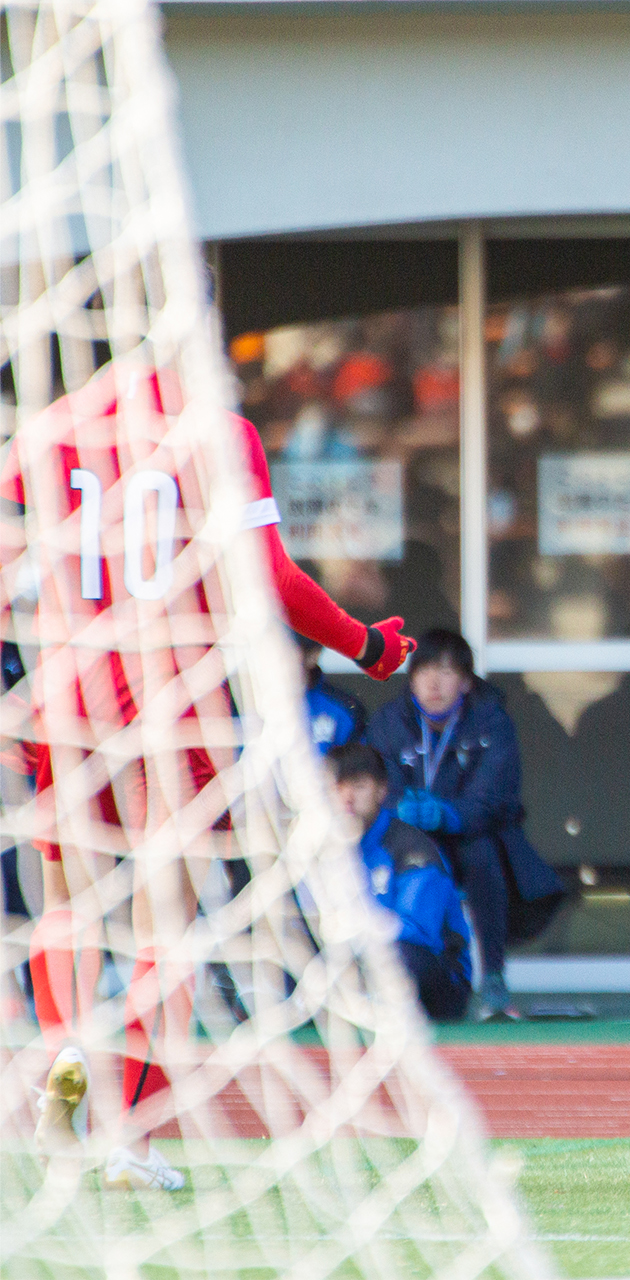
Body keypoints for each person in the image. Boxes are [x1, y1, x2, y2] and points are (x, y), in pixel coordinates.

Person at [3, 371, 413, 1192]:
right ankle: (133, 1136)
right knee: (170, 924)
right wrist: (365, 644)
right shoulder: (217, 429)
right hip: (173, 698)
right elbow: (273, 580)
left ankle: (66, 1053)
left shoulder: (50, 432)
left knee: (66, 903)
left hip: (68, 696)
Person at [364, 629, 561, 1023]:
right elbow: (376, 782)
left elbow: (494, 798)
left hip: (469, 833)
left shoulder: (492, 721)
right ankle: (392, 974)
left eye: (446, 672)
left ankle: (492, 976)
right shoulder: (390, 721)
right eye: (423, 672)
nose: (433, 683)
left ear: (467, 682)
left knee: (483, 857)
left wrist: (449, 814)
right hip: (408, 836)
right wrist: (399, 805)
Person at [328, 743, 472, 1021]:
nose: (346, 797)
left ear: (381, 791)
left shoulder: (412, 848)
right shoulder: (314, 849)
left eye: (358, 786)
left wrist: (352, 932)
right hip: (355, 967)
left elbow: (417, 931)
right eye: (337, 787)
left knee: (396, 956)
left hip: (436, 978)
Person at [299, 633, 366, 753]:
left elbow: (356, 767)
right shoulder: (256, 704)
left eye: (288, 650)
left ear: (314, 654)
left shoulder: (344, 709)